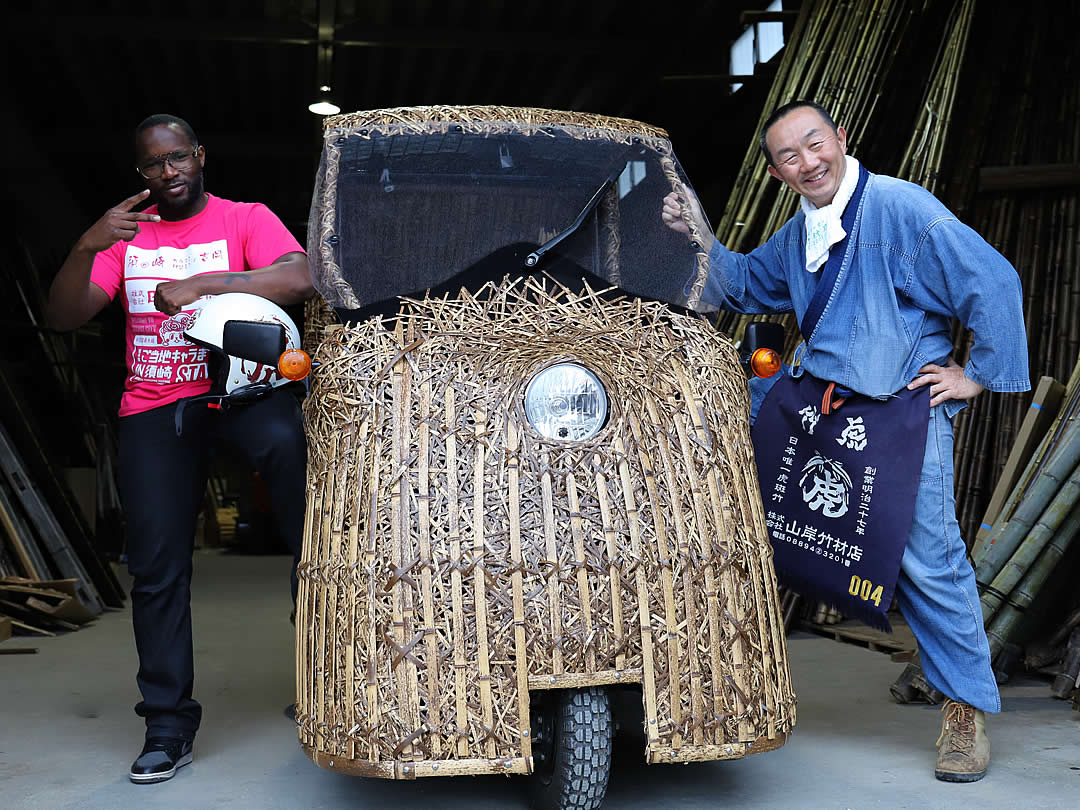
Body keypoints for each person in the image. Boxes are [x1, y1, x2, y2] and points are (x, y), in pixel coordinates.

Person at [662, 100, 1029, 783]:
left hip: (900, 411)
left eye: (814, 144)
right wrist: (695, 235)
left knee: (928, 558)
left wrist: (976, 375)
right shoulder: (803, 233)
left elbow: (992, 280)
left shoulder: (898, 208)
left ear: (841, 139)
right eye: (789, 156)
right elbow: (742, 286)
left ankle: (964, 711)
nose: (808, 162)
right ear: (777, 173)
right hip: (825, 408)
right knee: (729, 466)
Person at [46, 114, 314, 784]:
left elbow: (303, 276)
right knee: (159, 569)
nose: (169, 173)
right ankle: (168, 725)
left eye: (179, 157)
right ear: (140, 174)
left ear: (200, 156)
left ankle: (323, 675)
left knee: (311, 515)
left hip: (247, 396)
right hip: (155, 406)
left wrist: (204, 287)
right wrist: (85, 247)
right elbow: (64, 316)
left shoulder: (244, 217)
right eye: (153, 165)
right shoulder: (124, 240)